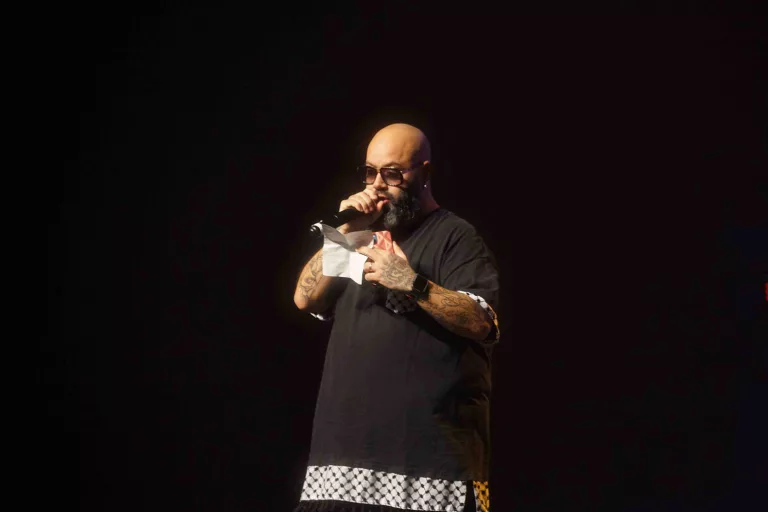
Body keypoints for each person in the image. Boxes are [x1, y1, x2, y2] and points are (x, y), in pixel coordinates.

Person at [293, 123, 501, 512]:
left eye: (392, 174)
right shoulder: (358, 235)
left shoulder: (456, 237)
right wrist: (345, 231)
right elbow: (305, 298)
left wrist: (411, 283)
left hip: (425, 474)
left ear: (425, 173)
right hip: (340, 469)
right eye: (369, 172)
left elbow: (480, 322)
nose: (377, 185)